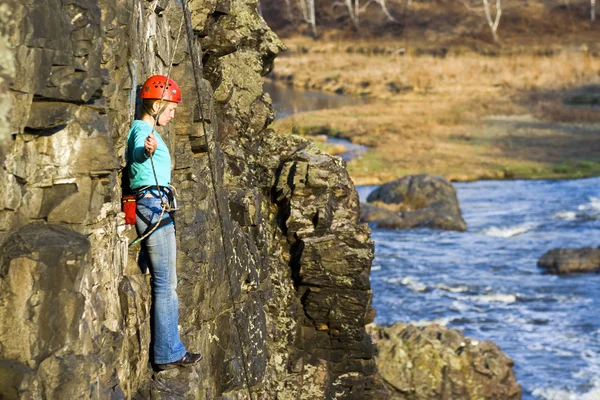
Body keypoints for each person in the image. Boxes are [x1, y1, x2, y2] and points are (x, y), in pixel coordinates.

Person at [126, 75, 202, 370]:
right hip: (152, 205)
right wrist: (145, 150)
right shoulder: (142, 131)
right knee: (165, 284)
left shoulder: (147, 130)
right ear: (157, 105)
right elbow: (137, 152)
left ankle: (169, 349)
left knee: (166, 283)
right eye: (170, 109)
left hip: (158, 204)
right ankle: (169, 353)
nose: (172, 115)